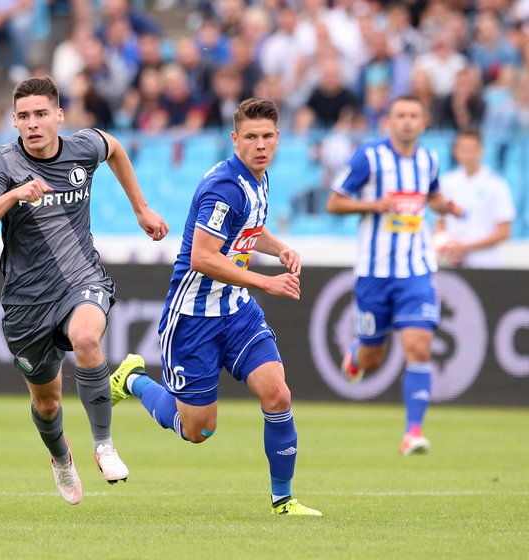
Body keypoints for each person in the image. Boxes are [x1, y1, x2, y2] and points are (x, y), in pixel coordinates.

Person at [0, 76, 168, 505]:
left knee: (88, 336)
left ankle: (104, 444)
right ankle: (60, 458)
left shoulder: (82, 147)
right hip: (27, 301)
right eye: (24, 117)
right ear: (14, 121)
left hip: (80, 280)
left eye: (41, 114)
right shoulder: (3, 163)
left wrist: (141, 208)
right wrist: (14, 195)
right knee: (48, 403)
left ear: (59, 116)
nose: (33, 124)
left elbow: (115, 148)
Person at [110, 98, 322, 516]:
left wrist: (280, 248)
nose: (260, 145)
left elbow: (249, 229)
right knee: (199, 430)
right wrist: (267, 281)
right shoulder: (224, 187)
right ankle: (133, 380)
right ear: (234, 139)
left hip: (236, 312)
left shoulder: (258, 179)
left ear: (277, 138)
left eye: (266, 137)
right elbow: (203, 258)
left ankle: (284, 499)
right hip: (193, 318)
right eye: (250, 137)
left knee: (277, 393)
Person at [326, 95, 463, 455]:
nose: (406, 121)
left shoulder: (429, 159)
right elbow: (334, 201)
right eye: (400, 115)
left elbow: (430, 196)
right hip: (374, 274)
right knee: (372, 357)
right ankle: (356, 357)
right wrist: (373, 205)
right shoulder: (368, 157)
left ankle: (413, 431)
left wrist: (445, 206)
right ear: (389, 120)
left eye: (413, 116)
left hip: (416, 270)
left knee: (418, 347)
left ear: (424, 121)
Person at [434, 129, 515, 268]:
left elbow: (504, 232)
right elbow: (441, 222)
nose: (468, 154)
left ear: (481, 151)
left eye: (472, 149)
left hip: (486, 264)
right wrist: (442, 243)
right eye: (464, 149)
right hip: (453, 263)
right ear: (455, 151)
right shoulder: (446, 182)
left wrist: (465, 247)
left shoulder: (496, 184)